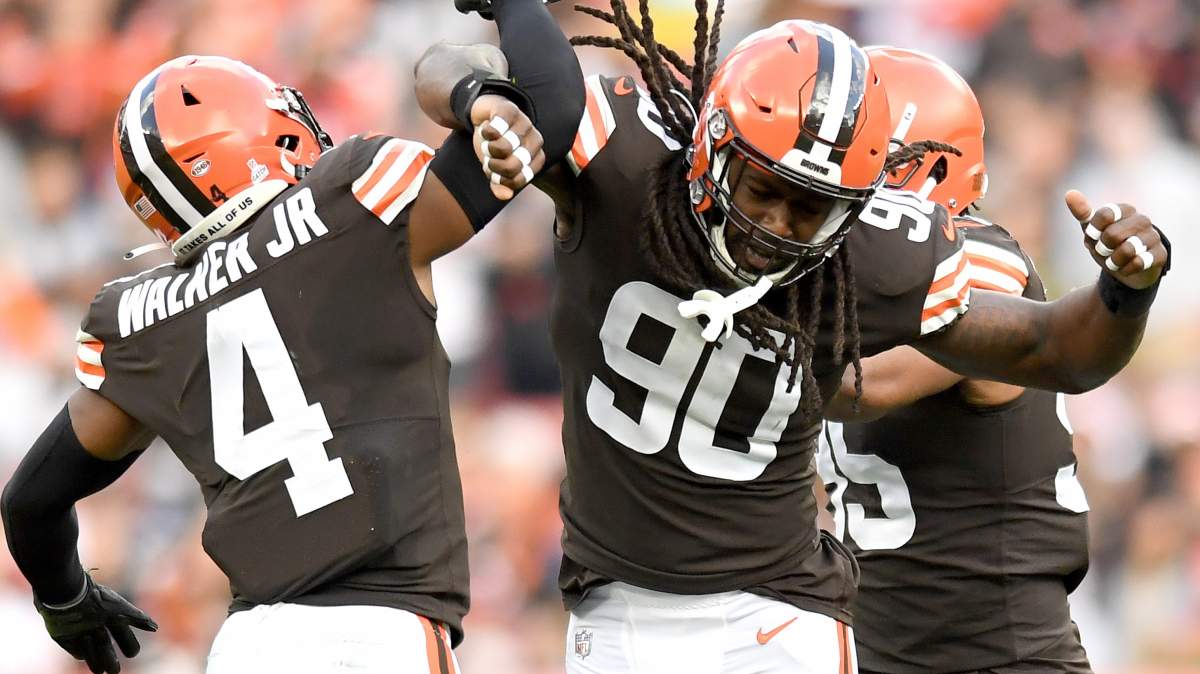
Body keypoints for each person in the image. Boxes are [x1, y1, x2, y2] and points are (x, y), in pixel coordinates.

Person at [420, 4, 1170, 672]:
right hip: (679, 607)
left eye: (816, 205)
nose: (776, 227)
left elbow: (1036, 354)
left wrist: (1124, 292)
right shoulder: (630, 161)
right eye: (765, 189)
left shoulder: (896, 257)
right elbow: (467, 73)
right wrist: (483, 98)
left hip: (944, 639)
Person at [0, 2, 584, 672]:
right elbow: (553, 105)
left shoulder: (137, 319)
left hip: (248, 648)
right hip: (382, 636)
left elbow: (31, 502)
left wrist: (66, 598)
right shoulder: (353, 203)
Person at [819, 47, 1093, 673]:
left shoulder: (980, 257)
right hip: (883, 644)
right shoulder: (836, 276)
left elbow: (865, 385)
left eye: (852, 151)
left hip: (1002, 654)